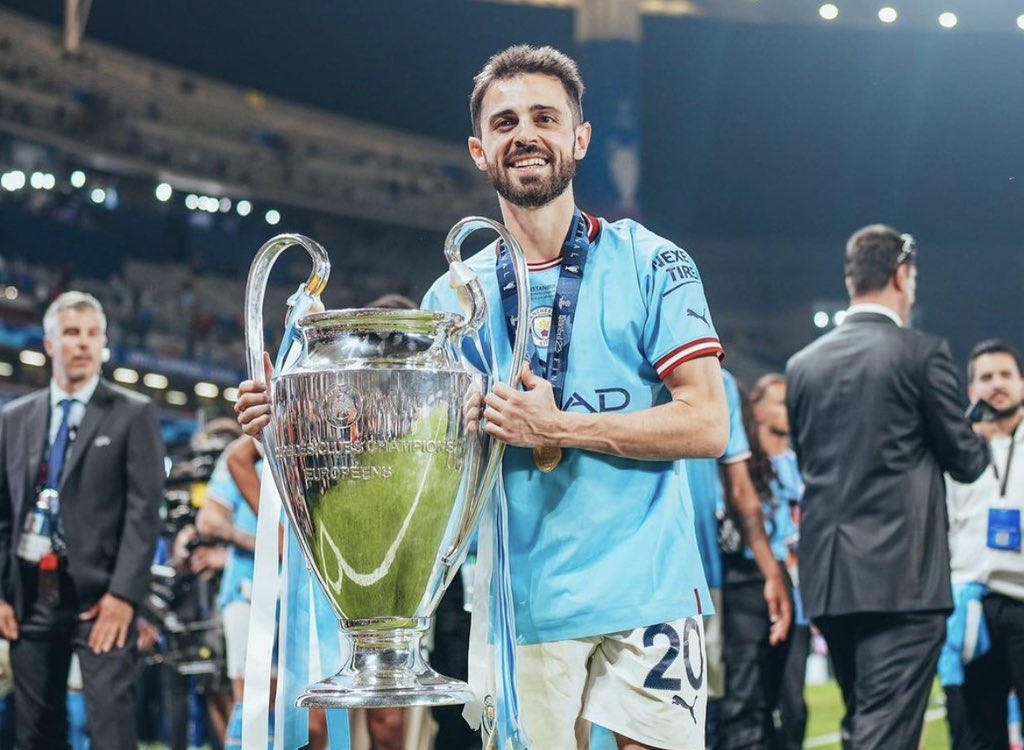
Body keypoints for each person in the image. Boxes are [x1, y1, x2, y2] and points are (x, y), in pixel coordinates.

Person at [238, 44, 729, 750]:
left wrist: (560, 427)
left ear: (580, 139)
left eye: (544, 118)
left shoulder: (653, 262)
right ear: (479, 151)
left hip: (648, 590)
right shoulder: (451, 299)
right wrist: (290, 423)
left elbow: (707, 423)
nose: (525, 134)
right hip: (517, 602)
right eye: (504, 123)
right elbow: (413, 459)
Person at [785, 225, 990, 750]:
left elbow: (809, 463)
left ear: (850, 279)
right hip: (903, 580)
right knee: (884, 732)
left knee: (865, 722)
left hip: (830, 581)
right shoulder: (921, 353)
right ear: (902, 276)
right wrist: (979, 434)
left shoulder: (802, 366)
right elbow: (966, 461)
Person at [0, 291, 165, 749]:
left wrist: (124, 596)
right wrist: (2, 594)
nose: (84, 343)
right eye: (72, 333)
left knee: (111, 728)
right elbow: (3, 514)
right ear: (50, 343)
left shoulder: (134, 413)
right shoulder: (14, 419)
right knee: (35, 731)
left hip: (102, 600)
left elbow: (144, 513)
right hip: (30, 597)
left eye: (94, 334)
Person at [714, 375, 807, 750]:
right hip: (742, 578)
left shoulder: (779, 467)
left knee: (781, 704)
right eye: (781, 403)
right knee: (743, 703)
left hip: (776, 582)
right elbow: (738, 509)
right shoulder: (720, 467)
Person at [945, 339, 1024, 750]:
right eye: (986, 377)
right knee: (977, 732)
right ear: (971, 389)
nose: (997, 384)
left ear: (1022, 383)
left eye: (1006, 375)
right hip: (973, 606)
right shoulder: (955, 453)